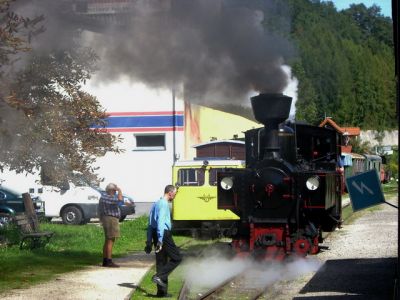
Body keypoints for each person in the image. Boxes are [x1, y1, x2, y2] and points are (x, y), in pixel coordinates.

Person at [144, 185, 182, 298]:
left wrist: (149, 241)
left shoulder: (156, 203)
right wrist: (160, 240)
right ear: (170, 193)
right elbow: (160, 221)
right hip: (163, 234)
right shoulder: (164, 204)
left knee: (161, 262)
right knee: (177, 258)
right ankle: (159, 276)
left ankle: (161, 293)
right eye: (174, 194)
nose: (174, 196)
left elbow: (150, 224)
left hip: (157, 234)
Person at [99, 183, 123, 268]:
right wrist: (119, 190)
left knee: (107, 240)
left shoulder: (102, 197)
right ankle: (109, 261)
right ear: (111, 190)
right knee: (111, 240)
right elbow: (120, 200)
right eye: (114, 190)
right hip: (111, 219)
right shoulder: (110, 197)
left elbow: (99, 209)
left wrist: (100, 219)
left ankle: (105, 260)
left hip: (105, 218)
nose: (115, 191)